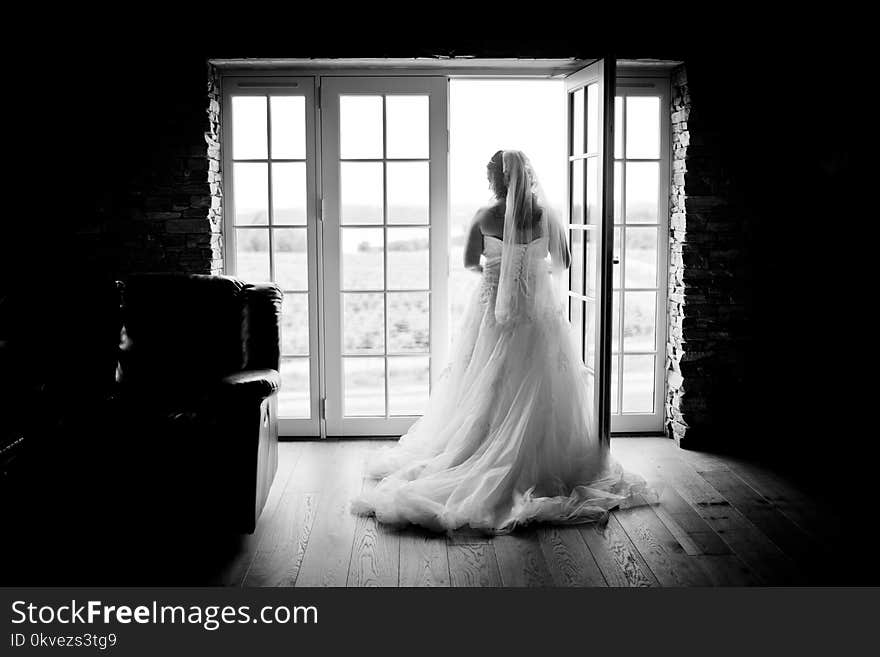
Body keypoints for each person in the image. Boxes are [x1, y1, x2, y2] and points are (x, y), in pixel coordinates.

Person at [351, 150, 648, 534]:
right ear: (526, 177)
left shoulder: (484, 217)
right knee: (539, 386)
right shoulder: (546, 217)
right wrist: (530, 270)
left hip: (493, 312)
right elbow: (565, 261)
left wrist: (500, 270)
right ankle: (536, 461)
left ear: (496, 180)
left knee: (486, 381)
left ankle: (481, 451)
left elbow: (470, 262)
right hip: (539, 318)